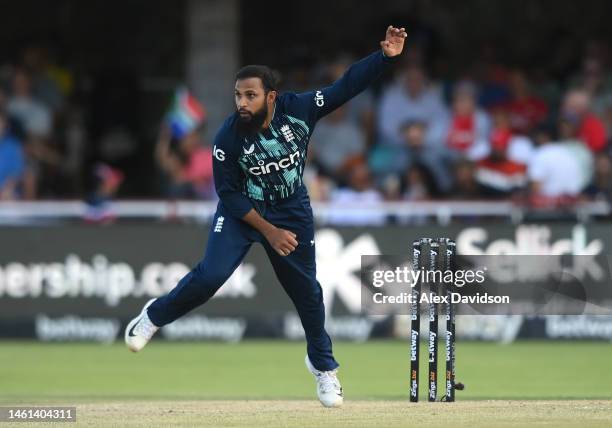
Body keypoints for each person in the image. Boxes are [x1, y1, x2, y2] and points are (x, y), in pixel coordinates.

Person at [125, 26, 407, 408]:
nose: (242, 102)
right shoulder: (228, 137)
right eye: (239, 95)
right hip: (243, 211)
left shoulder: (300, 110)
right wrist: (270, 232)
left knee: (307, 293)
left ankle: (323, 367)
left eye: (251, 95)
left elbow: (345, 87)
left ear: (271, 97)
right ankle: (152, 316)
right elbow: (227, 193)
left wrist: (385, 57)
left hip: (291, 209)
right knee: (209, 277)